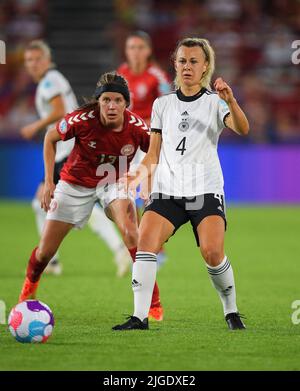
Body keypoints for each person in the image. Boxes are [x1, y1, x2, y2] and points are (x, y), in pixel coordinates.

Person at [113, 37, 250, 331]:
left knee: (212, 253)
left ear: (205, 67)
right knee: (145, 243)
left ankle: (231, 311)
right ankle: (139, 317)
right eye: (182, 61)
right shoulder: (162, 105)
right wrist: (136, 176)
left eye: (193, 61)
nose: (187, 66)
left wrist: (232, 101)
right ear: (175, 64)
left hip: (205, 190)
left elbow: (242, 128)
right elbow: (153, 154)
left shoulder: (215, 102)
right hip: (168, 190)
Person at [18, 71, 163, 321]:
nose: (111, 105)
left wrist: (146, 184)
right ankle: (30, 285)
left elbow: (154, 155)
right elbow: (50, 138)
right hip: (75, 184)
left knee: (131, 232)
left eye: (117, 100)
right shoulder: (81, 119)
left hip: (114, 182)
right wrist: (50, 182)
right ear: (99, 101)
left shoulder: (138, 127)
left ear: (126, 103)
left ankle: (153, 301)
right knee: (45, 252)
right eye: (106, 100)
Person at [21, 40, 131, 277]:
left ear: (48, 60)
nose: (33, 64)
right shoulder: (51, 80)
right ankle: (113, 250)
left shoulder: (50, 81)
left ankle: (52, 260)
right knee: (55, 203)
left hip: (67, 151)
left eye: (38, 59)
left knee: (59, 202)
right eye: (29, 60)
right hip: (68, 149)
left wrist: (35, 126)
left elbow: (60, 110)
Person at [118, 30, 171, 272]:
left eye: (140, 47)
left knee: (148, 193)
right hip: (126, 143)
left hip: (150, 142)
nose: (135, 52)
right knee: (128, 194)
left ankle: (155, 250)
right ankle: (145, 245)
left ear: (148, 51)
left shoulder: (156, 76)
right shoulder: (121, 74)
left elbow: (171, 106)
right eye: (131, 47)